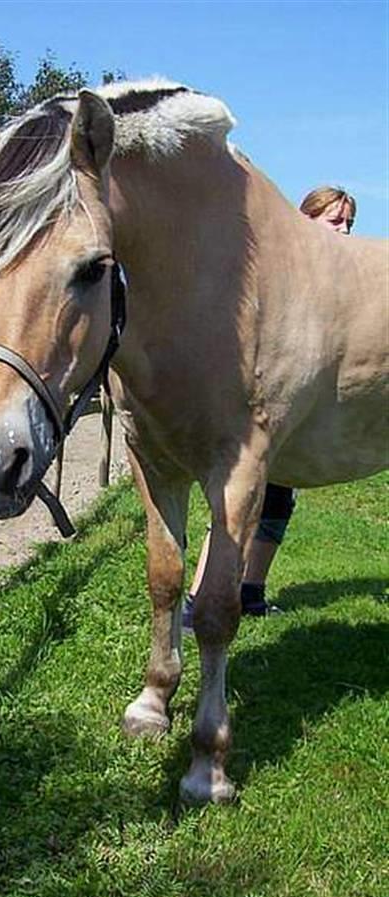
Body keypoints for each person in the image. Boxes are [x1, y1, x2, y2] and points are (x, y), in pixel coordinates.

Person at [183, 186, 357, 627]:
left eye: (349, 223)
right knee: (240, 499)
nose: (344, 230)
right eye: (335, 221)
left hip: (306, 404)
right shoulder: (277, 270)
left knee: (278, 500)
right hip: (261, 401)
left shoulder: (345, 278)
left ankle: (252, 592)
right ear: (308, 219)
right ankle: (199, 597)